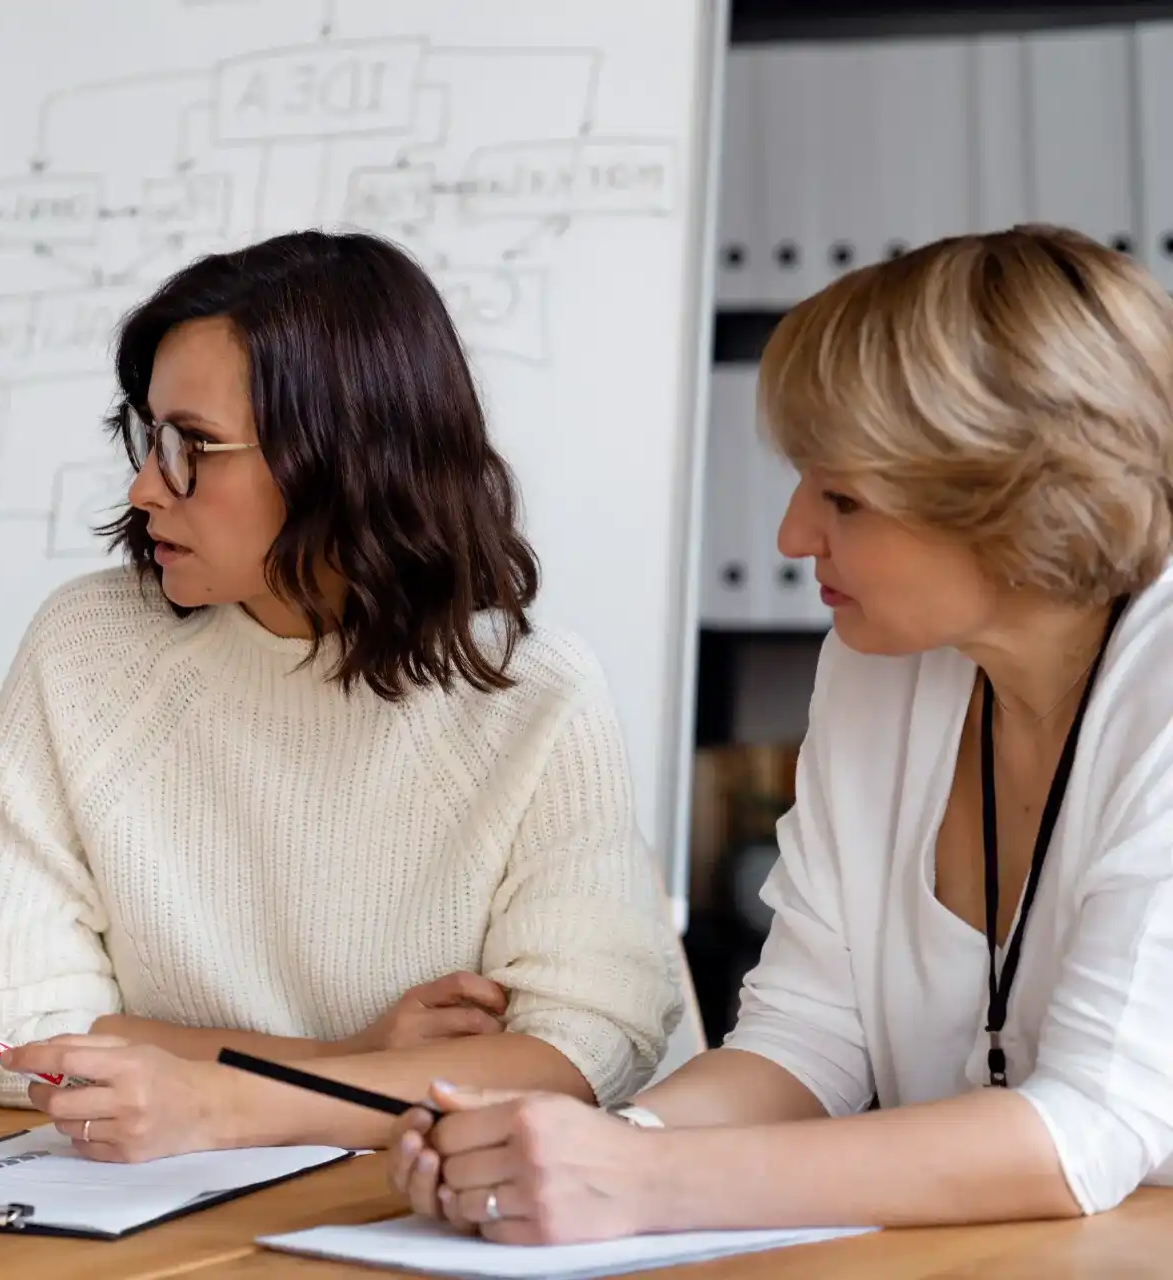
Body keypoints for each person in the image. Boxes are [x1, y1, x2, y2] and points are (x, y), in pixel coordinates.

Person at [389, 224, 1173, 1242]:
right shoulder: (877, 656)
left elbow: (1095, 1123)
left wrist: (639, 1180)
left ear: (1019, 503)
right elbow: (807, 1040)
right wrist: (585, 1142)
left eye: (843, 496)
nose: (793, 535)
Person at [0, 229, 685, 1163]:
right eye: (146, 436)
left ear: (343, 456)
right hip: (174, 1217)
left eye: (192, 445)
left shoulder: (532, 694)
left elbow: (579, 1053)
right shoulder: (87, 647)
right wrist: (338, 1063)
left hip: (451, 1220)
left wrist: (212, 1095)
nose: (146, 485)